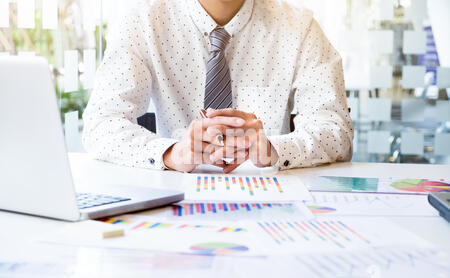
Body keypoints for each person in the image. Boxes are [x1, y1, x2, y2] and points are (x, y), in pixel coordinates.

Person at [82, 0, 354, 174]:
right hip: (174, 198)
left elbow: (336, 131)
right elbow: (100, 125)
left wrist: (273, 149)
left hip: (273, 199)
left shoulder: (299, 26)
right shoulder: (143, 21)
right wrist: (171, 153)